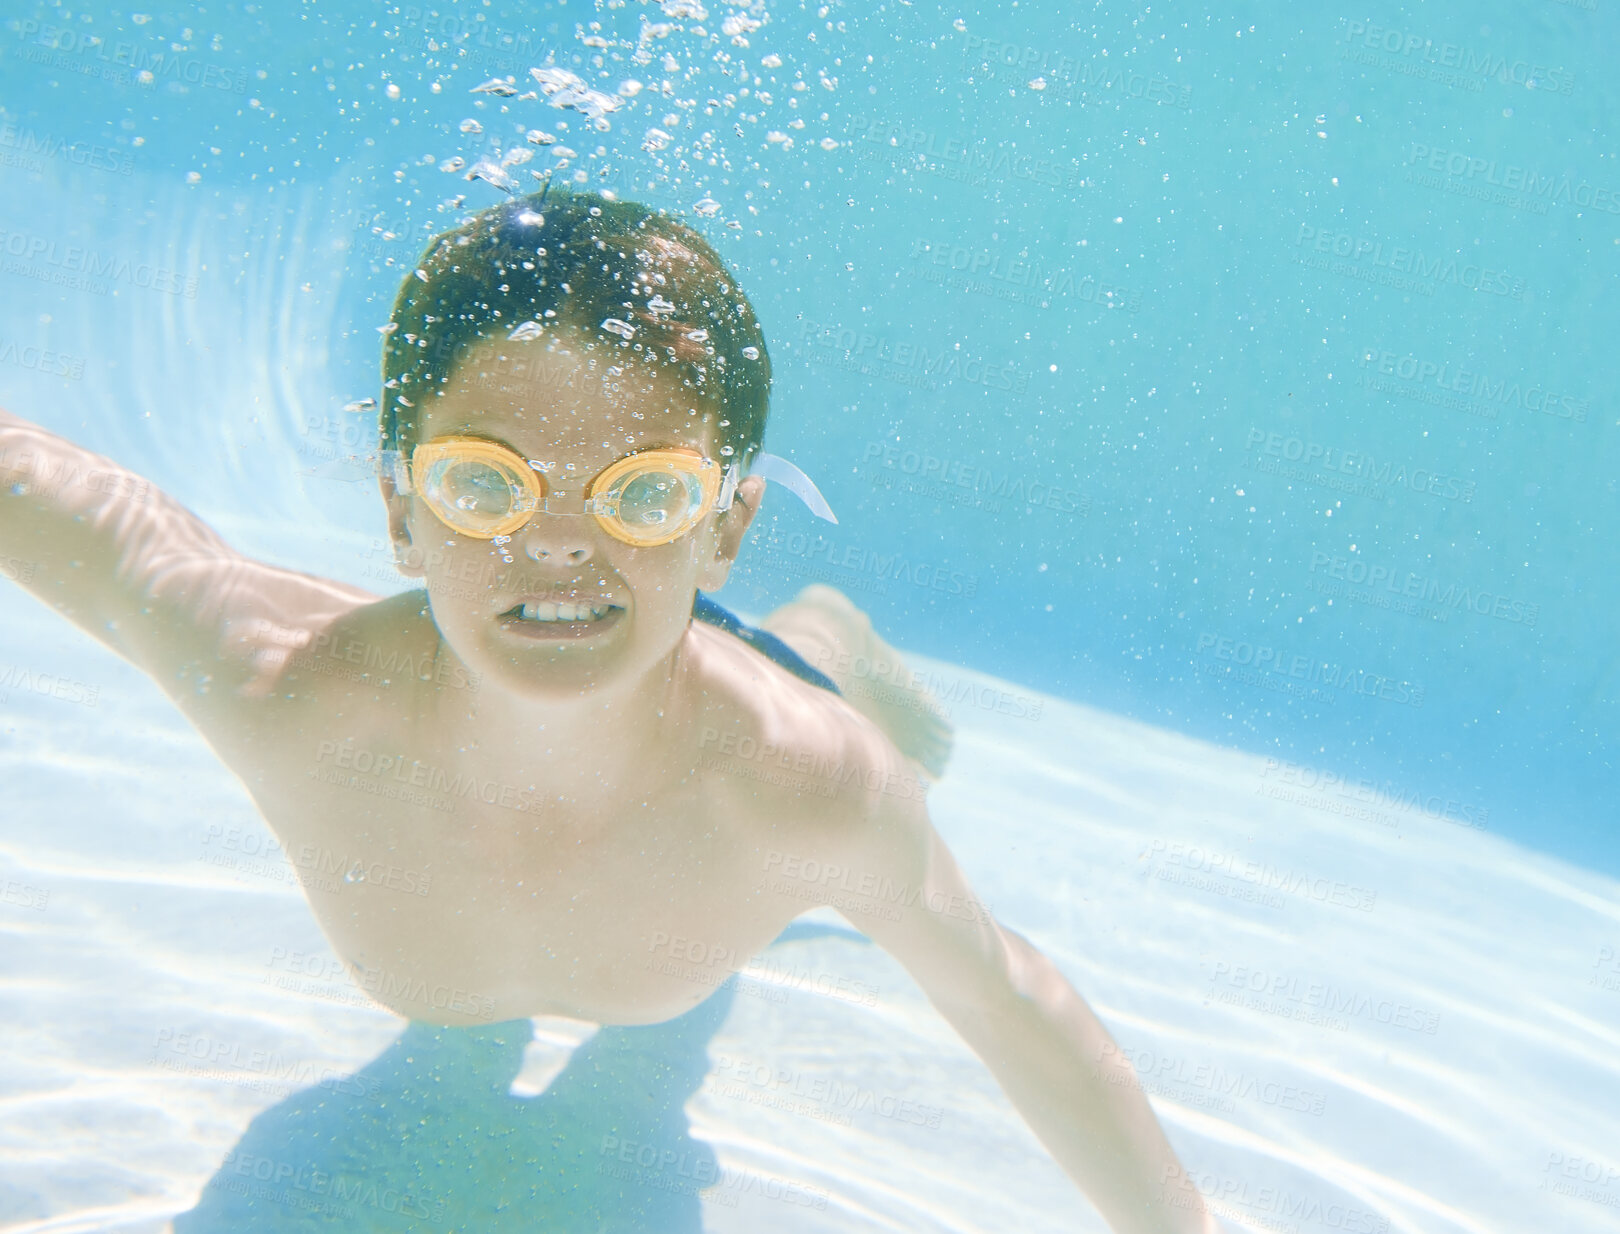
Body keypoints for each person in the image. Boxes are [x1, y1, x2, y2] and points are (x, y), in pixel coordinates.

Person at [0, 186, 1217, 1233]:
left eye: (643, 492)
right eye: (485, 484)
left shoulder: (805, 787)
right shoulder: (289, 693)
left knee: (662, 1047)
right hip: (647, 641)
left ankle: (823, 629)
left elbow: (1006, 999)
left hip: (724, 677)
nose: (562, 547)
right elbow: (58, 509)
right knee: (461, 1037)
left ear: (727, 524)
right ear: (399, 513)